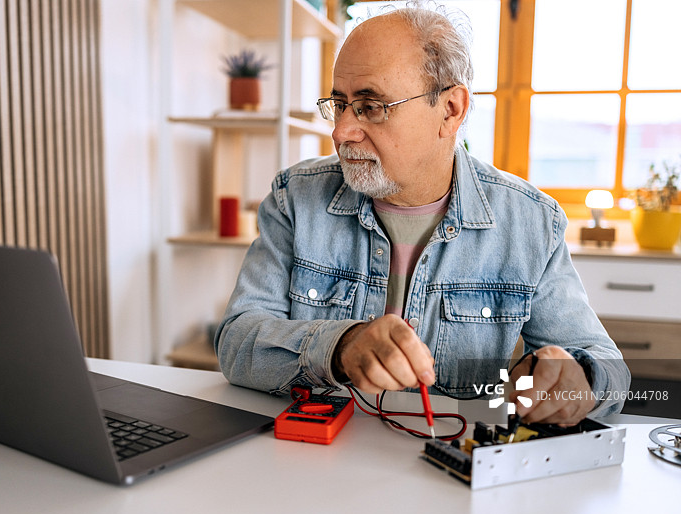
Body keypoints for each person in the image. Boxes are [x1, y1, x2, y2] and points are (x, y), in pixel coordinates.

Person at [214, 1, 630, 424]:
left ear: (450, 110)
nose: (341, 131)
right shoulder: (295, 198)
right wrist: (340, 347)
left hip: (451, 475)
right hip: (316, 464)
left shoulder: (530, 222)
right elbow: (237, 343)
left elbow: (612, 374)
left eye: (371, 106)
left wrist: (575, 378)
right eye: (339, 104)